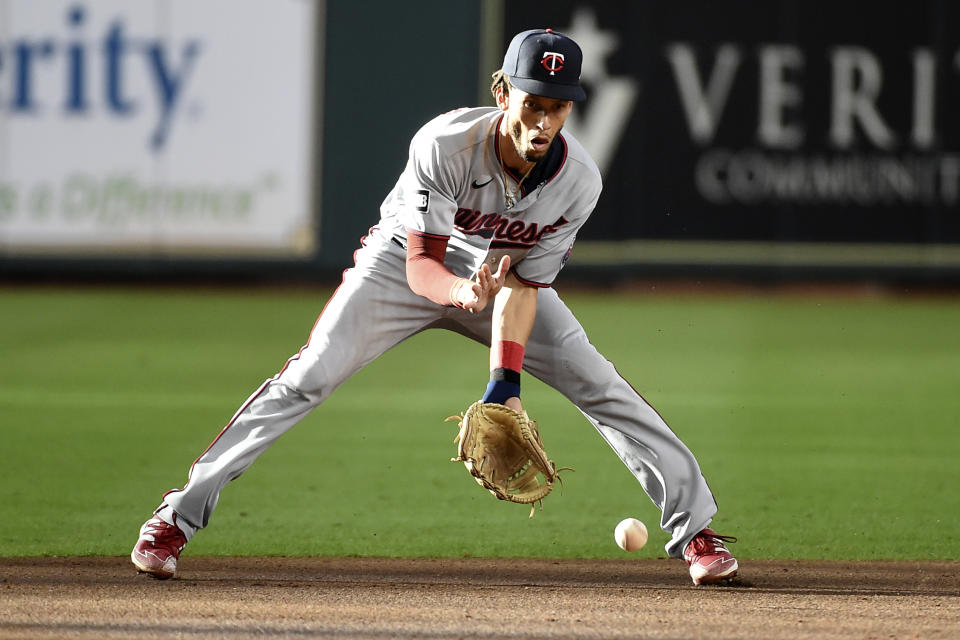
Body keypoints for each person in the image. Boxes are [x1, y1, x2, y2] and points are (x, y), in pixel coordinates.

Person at [131, 28, 739, 586]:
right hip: (402, 266)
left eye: (557, 105)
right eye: (532, 101)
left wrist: (504, 381)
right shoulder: (446, 143)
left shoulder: (580, 180)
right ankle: (176, 517)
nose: (544, 118)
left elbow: (525, 287)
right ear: (503, 93)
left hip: (503, 284)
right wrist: (460, 292)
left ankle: (697, 533)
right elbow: (424, 263)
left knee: (601, 385)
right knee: (308, 377)